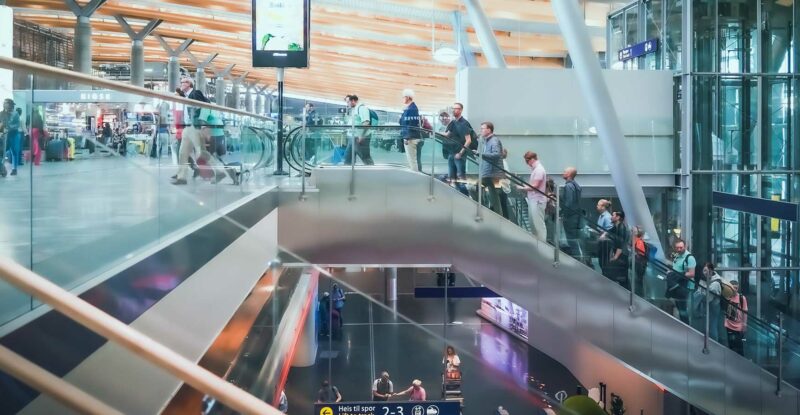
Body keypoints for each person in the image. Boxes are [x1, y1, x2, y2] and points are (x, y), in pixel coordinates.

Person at [443, 103, 473, 195]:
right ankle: (457, 197)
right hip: (451, 153)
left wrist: (460, 153)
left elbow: (468, 140)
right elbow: (447, 135)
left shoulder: (464, 123)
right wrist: (432, 132)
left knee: (460, 178)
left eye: (456, 109)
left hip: (459, 155)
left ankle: (466, 197)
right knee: (452, 178)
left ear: (460, 110)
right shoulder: (453, 123)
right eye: (453, 108)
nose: (454, 110)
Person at [477, 122, 505, 216]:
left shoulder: (494, 140)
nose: (481, 130)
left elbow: (497, 155)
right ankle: (490, 212)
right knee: (490, 195)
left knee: (493, 196)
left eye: (483, 128)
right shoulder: (487, 141)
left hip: (493, 174)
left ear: (489, 130)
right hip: (488, 173)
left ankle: (496, 215)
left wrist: (481, 154)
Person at [519, 151, 547, 240]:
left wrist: (522, 188)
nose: (527, 164)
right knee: (534, 224)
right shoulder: (537, 169)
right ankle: (539, 243)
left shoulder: (539, 169)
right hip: (534, 200)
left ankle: (542, 245)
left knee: (538, 224)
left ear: (532, 159)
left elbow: (535, 186)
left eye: (527, 161)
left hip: (537, 200)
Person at [668, 239, 697, 324]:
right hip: (678, 285)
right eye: (677, 248)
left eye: (681, 247)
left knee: (683, 309)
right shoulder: (677, 256)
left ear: (685, 247)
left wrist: (677, 274)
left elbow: (692, 274)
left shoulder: (690, 258)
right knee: (679, 308)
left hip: (686, 286)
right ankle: (683, 326)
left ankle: (686, 327)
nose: (679, 249)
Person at [343, 94, 374, 165]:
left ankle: (372, 173)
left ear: (353, 101)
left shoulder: (362, 108)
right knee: (348, 158)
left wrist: (361, 136)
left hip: (359, 138)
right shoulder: (354, 110)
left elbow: (366, 122)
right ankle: (348, 174)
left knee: (365, 157)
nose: (347, 104)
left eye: (348, 102)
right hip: (352, 137)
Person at [561, 167, 583, 259]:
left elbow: (568, 203)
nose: (563, 173)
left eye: (565, 171)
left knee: (571, 240)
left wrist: (563, 214)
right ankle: (578, 258)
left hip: (570, 217)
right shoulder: (576, 186)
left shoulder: (569, 186)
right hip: (575, 217)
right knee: (574, 240)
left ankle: (577, 261)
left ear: (569, 174)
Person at [605, 211, 630, 287]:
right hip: (620, 255)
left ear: (618, 217)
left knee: (622, 278)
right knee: (620, 277)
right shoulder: (616, 227)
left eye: (613, 215)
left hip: (622, 255)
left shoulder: (621, 227)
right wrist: (603, 235)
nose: (611, 217)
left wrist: (615, 256)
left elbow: (620, 244)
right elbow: (608, 232)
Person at [399, 89, 422, 171]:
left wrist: (407, 137)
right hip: (410, 137)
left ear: (408, 97)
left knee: (412, 160)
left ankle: (415, 177)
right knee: (412, 160)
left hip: (411, 138)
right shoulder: (410, 108)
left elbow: (411, 124)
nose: (403, 99)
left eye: (403, 97)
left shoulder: (412, 109)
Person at [724, 280, 747, 356]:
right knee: (731, 345)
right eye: (733, 288)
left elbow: (745, 312)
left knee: (739, 346)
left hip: (738, 326)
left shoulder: (741, 298)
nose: (735, 290)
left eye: (736, 288)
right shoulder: (727, 296)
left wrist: (744, 324)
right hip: (729, 325)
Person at [0, 98, 22, 176]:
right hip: (4, 135)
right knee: (2, 152)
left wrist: (9, 127)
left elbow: (17, 125)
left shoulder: (15, 114)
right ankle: (2, 168)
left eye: (7, 103)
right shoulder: (1, 113)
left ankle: (14, 169)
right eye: (4, 103)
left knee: (14, 152)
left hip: (14, 135)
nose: (5, 104)